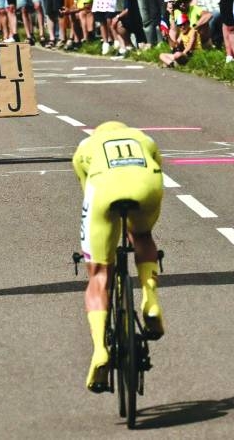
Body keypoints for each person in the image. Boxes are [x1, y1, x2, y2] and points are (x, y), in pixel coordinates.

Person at [72, 121, 165, 392]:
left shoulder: (85, 147)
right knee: (143, 236)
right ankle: (151, 301)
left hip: (104, 191)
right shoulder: (143, 137)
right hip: (146, 187)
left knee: (99, 273)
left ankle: (100, 349)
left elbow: (86, 193)